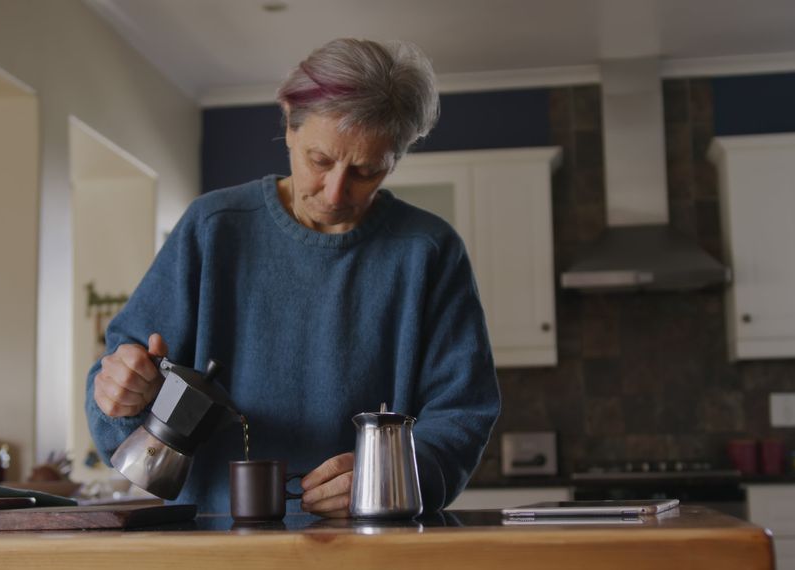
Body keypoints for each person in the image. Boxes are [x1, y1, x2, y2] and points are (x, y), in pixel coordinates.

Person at [86, 38, 500, 517]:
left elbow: (463, 412)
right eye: (320, 160)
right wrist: (119, 391)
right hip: (212, 545)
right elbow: (114, 380)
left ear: (397, 157)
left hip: (371, 547)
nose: (335, 192)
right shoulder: (213, 227)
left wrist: (393, 479)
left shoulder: (429, 251)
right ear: (288, 123)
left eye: (367, 171)